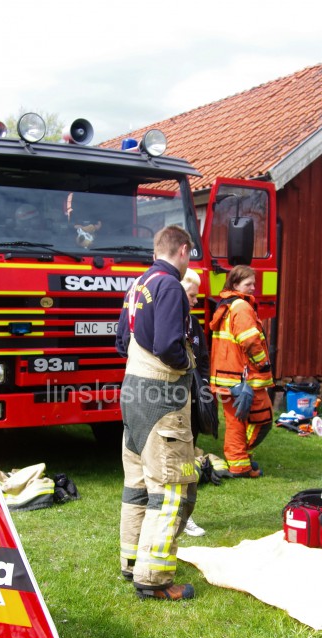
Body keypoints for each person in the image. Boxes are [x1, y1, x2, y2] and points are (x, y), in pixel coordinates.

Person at [114, 224, 199, 600]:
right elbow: (168, 344)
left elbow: (121, 341)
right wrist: (184, 365)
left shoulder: (138, 284)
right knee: (170, 490)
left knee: (137, 484)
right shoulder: (170, 286)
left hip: (132, 391)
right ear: (183, 249)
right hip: (162, 397)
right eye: (190, 255)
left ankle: (132, 560)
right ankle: (154, 579)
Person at [209, 264, 274, 479]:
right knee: (262, 419)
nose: (253, 288)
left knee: (236, 422)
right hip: (244, 377)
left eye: (254, 283)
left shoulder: (226, 306)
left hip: (227, 376)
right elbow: (250, 341)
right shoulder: (241, 307)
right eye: (249, 284)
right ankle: (240, 463)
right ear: (235, 284)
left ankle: (239, 464)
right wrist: (263, 363)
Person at [181, 268, 211, 537]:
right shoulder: (167, 321)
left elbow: (203, 359)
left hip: (192, 403)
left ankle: (186, 515)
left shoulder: (194, 324)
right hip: (170, 405)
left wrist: (205, 389)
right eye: (191, 295)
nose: (195, 301)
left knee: (188, 459)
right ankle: (171, 516)